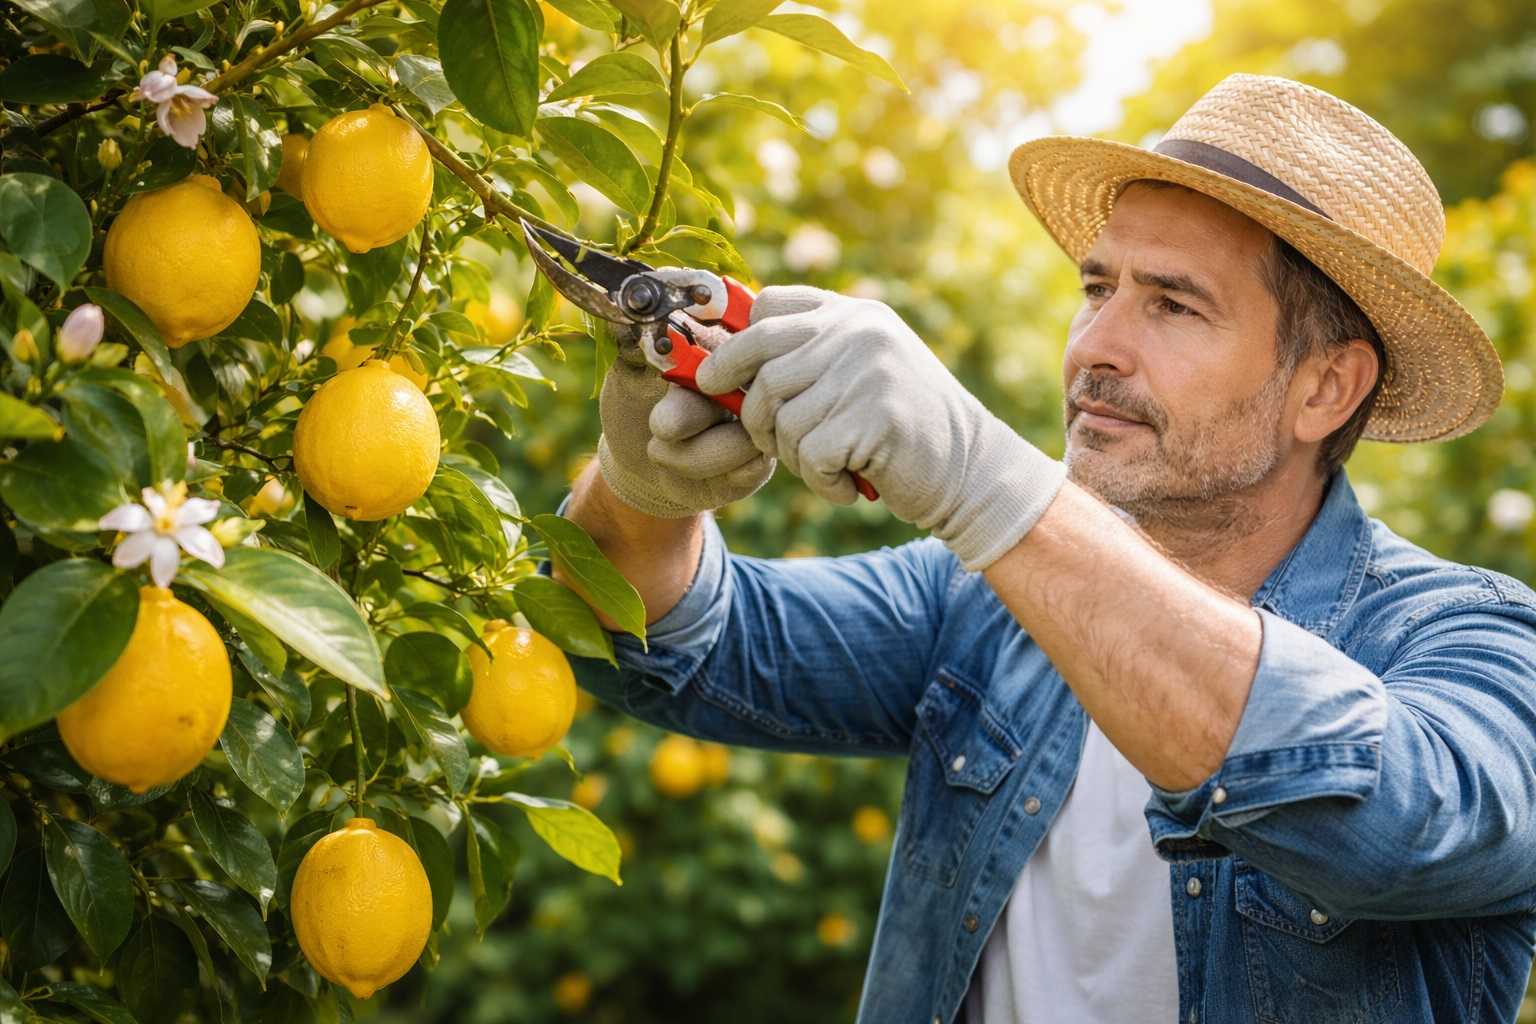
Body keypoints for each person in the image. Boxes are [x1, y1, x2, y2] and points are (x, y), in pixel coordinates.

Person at [545, 73, 1536, 1023]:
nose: (1096, 345)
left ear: (1326, 387)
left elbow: (1391, 818)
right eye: (1097, 287)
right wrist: (643, 490)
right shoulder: (979, 601)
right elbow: (677, 647)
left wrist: (991, 486)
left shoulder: (1478, 645)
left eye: (1174, 304)